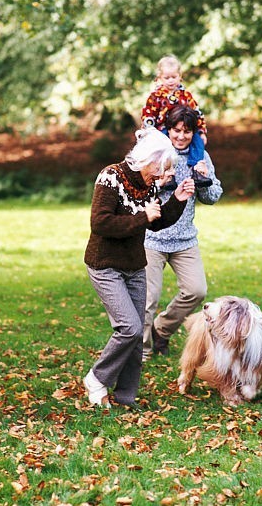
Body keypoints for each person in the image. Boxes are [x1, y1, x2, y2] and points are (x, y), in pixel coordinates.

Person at [83, 127, 196, 408]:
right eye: (163, 168)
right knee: (129, 328)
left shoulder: (150, 184)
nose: (165, 174)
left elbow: (154, 221)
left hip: (134, 265)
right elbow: (101, 223)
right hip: (105, 264)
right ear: (150, 159)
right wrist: (141, 216)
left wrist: (177, 201)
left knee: (138, 331)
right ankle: (97, 378)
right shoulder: (111, 177)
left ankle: (125, 396)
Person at [143, 105, 223, 360]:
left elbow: (213, 197)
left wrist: (204, 178)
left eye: (186, 132)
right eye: (176, 130)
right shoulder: (156, 152)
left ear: (194, 133)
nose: (180, 136)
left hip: (184, 239)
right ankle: (141, 352)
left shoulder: (200, 155)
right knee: (148, 299)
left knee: (196, 290)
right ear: (168, 129)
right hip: (153, 237)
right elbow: (137, 192)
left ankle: (161, 330)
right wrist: (159, 184)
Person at [140, 54, 211, 189]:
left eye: (174, 77)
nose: (170, 81)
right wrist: (148, 131)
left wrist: (201, 131)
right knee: (164, 148)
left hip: (185, 125)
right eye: (166, 78)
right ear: (159, 78)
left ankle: (197, 170)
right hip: (163, 128)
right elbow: (148, 114)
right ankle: (168, 174)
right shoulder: (156, 96)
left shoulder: (186, 95)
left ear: (180, 76)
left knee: (197, 142)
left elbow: (197, 112)